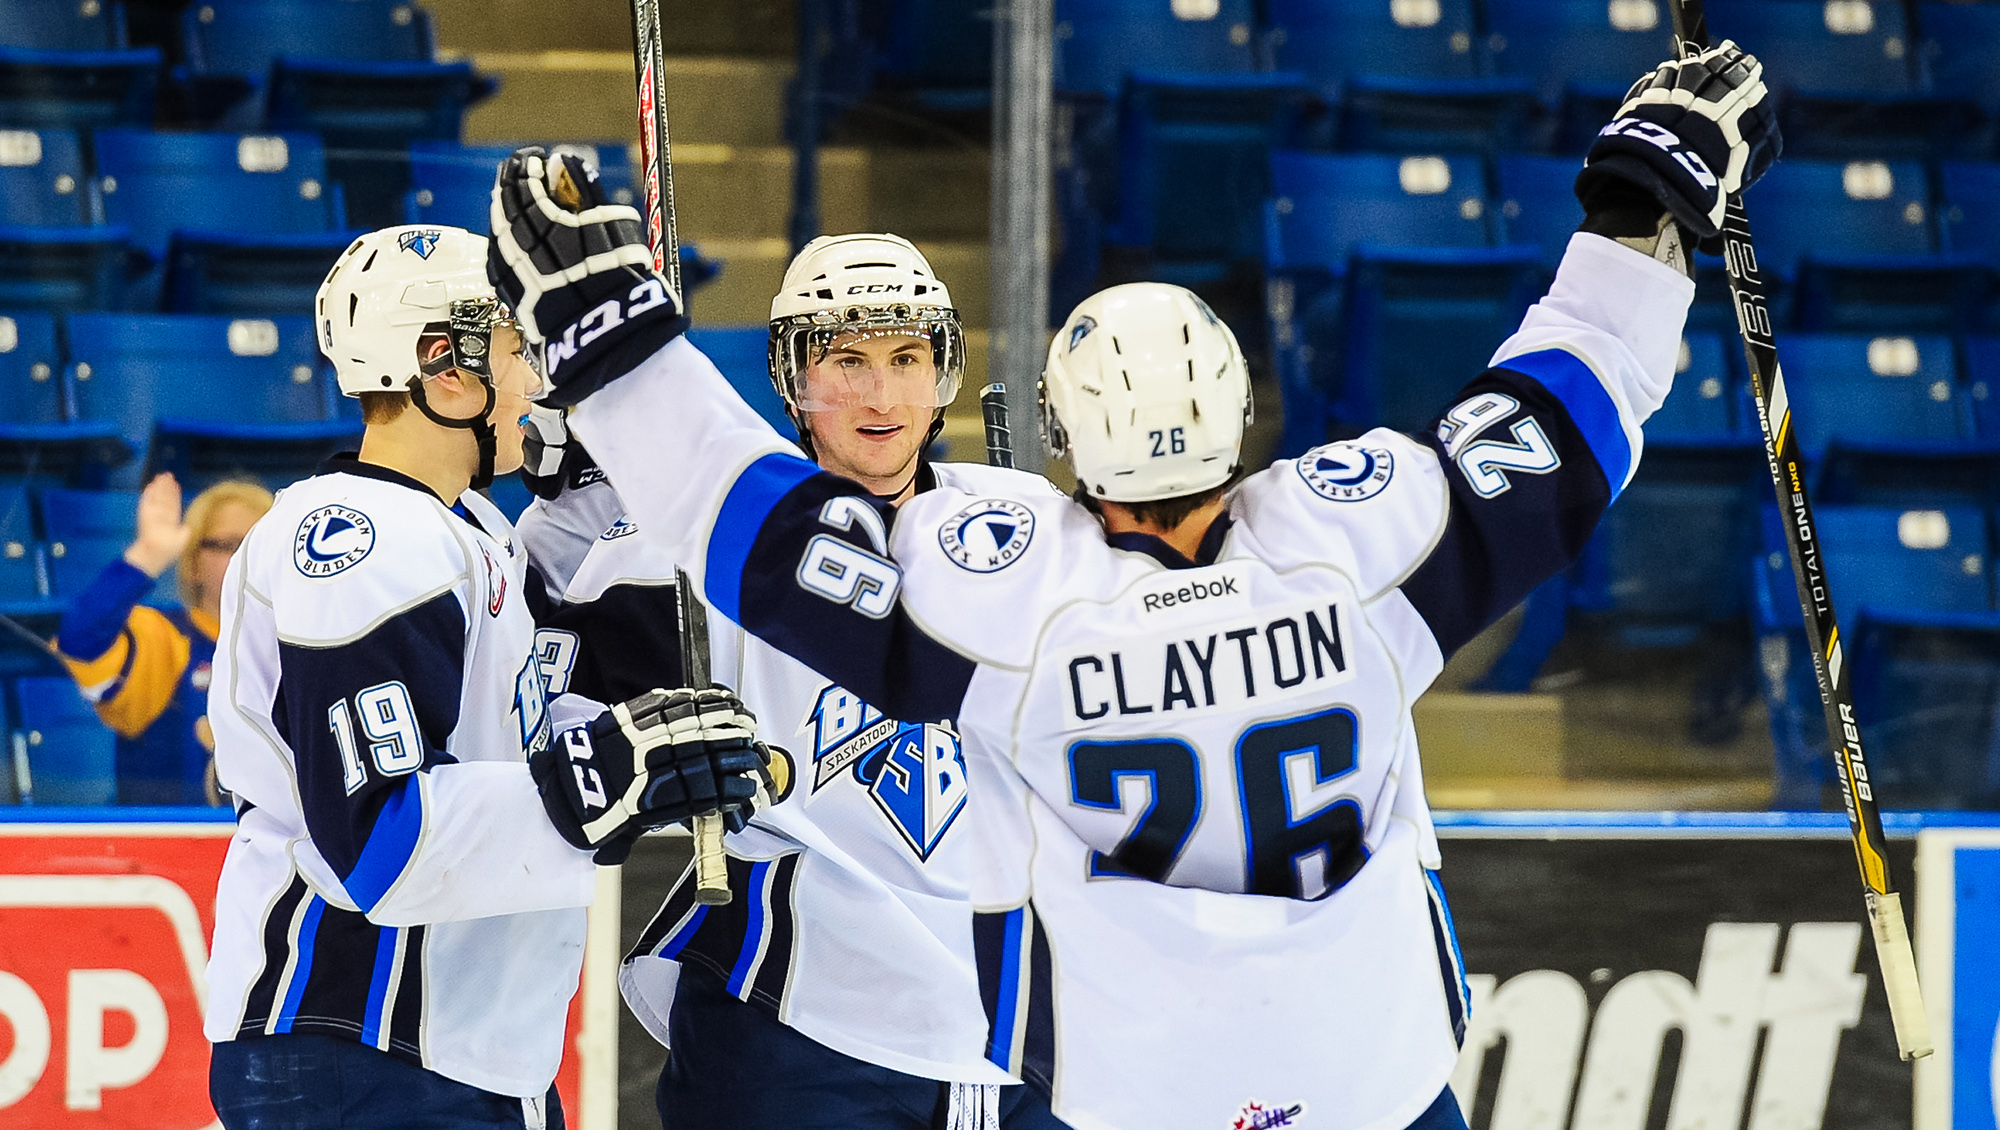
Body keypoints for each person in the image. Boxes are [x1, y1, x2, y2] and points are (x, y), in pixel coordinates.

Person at [491, 41, 1778, 1130]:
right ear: (1240, 409)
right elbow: (1564, 415)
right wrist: (1642, 215)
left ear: (1058, 436)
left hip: (1137, 1085)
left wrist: (613, 348)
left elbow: (766, 539)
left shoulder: (1014, 603)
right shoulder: (1359, 548)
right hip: (1374, 1069)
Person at [203, 224, 770, 1130]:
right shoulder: (359, 541)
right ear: (445, 368)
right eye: (513, 351)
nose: (534, 382)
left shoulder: (473, 531)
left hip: (465, 1048)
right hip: (360, 1039)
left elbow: (527, 734)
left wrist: (624, 503)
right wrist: (603, 778)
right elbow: (378, 841)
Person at [527, 233, 1072, 1129]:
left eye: (906, 359)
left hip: (1017, 1028)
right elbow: (546, 716)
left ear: (943, 372)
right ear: (792, 378)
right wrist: (567, 520)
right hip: (797, 1031)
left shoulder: (1027, 525)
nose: (881, 394)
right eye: (847, 361)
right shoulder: (694, 545)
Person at [56, 473, 272, 805]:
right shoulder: (163, 637)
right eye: (230, 545)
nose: (248, 557)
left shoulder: (311, 641)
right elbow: (80, 642)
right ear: (193, 564)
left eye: (263, 544)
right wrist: (147, 555)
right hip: (174, 836)